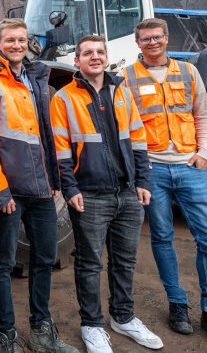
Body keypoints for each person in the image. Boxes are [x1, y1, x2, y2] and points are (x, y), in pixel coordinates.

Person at [122, 18, 207, 350]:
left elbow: (202, 114)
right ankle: (177, 304)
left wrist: (204, 153)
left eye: (157, 37)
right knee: (162, 237)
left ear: (166, 38)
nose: (152, 43)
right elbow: (126, 126)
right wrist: (138, 169)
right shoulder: (128, 78)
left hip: (190, 168)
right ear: (138, 43)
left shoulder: (188, 72)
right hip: (153, 171)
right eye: (145, 39)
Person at [0, 18, 78, 353]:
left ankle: (42, 331)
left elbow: (49, 134)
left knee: (44, 258)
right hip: (11, 192)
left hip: (43, 190)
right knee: (2, 264)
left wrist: (56, 179)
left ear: (28, 42)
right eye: (10, 40)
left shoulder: (38, 78)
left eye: (21, 39)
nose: (16, 45)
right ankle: (8, 336)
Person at [51, 35, 163, 353]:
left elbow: (138, 140)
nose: (95, 57)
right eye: (88, 53)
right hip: (91, 195)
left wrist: (143, 181)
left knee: (125, 261)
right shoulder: (64, 98)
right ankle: (92, 326)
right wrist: (70, 188)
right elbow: (60, 149)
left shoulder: (121, 92)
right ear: (77, 60)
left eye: (100, 52)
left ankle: (123, 318)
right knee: (89, 264)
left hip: (127, 193)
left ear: (106, 56)